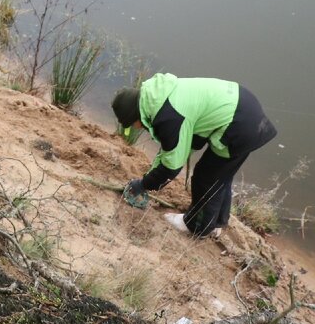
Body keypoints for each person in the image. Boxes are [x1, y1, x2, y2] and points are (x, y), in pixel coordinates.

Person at [112, 73, 278, 238]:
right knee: (222, 176)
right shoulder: (158, 96)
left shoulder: (168, 118)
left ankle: (197, 226)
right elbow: (181, 145)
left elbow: (171, 167)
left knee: (205, 177)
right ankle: (216, 222)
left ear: (136, 115)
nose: (137, 128)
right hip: (244, 106)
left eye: (133, 124)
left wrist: (144, 184)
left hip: (238, 125)